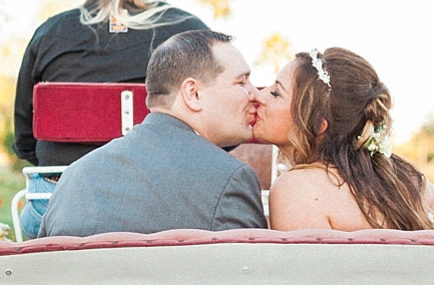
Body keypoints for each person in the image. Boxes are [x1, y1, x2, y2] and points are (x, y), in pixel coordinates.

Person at [13, 0, 209, 236]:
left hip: (59, 209)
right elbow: (217, 132)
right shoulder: (191, 34)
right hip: (168, 207)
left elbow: (26, 138)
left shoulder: (52, 33)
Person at [40, 30, 266, 237]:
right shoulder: (229, 179)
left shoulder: (74, 176)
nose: (257, 94)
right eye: (242, 81)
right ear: (193, 93)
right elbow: (251, 276)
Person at [249, 47, 434, 231]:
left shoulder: (297, 189)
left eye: (276, 93)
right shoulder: (408, 181)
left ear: (319, 125)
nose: (259, 95)